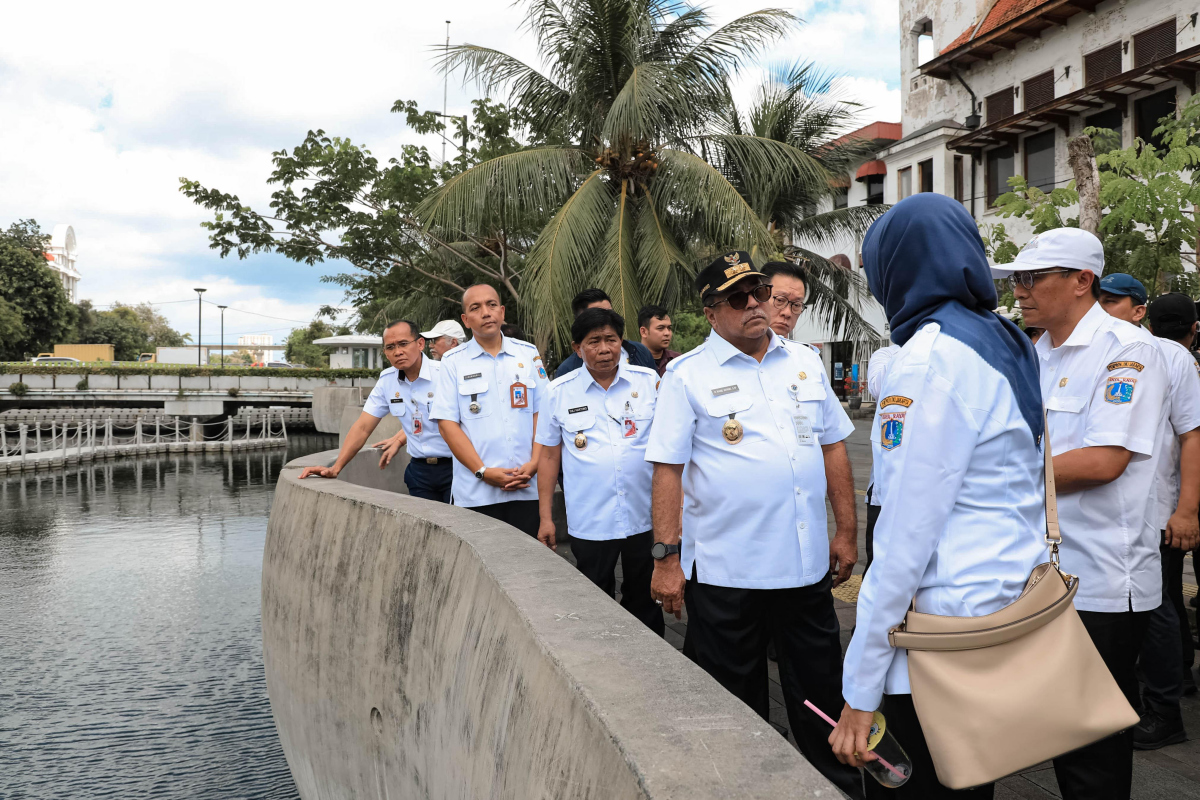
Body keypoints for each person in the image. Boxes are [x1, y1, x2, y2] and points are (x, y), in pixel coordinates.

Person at [830, 195, 1048, 798]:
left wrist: (860, 691)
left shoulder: (929, 358)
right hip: (1000, 614)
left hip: (937, 640)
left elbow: (903, 542)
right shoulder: (1005, 339)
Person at [646, 250, 862, 797]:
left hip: (804, 565)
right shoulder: (687, 376)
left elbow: (834, 448)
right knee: (731, 702)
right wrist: (666, 558)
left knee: (819, 694)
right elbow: (667, 470)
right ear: (712, 311)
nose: (755, 305)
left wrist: (846, 530)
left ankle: (833, 785)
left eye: (760, 292)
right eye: (738, 298)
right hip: (727, 573)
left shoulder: (805, 363)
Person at [998, 227, 1167, 799]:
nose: (1019, 290)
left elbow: (1103, 460)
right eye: (1015, 278)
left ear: (1081, 281)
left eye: (1031, 278)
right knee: (1053, 733)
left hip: (1097, 579)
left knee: (1091, 753)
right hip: (1040, 573)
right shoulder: (1032, 351)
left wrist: (994, 481)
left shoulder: (1127, 349)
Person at [534, 307, 664, 635]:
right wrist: (546, 517)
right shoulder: (558, 392)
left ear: (623, 342)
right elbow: (549, 457)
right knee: (594, 596)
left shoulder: (649, 384)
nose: (604, 349)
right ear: (578, 348)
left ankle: (652, 660)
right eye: (594, 342)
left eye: (611, 339)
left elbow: (671, 450)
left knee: (647, 596)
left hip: (645, 517)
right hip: (590, 519)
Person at [1131, 292, 1200, 748]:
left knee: (1157, 606)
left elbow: (1192, 435)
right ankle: (1169, 688)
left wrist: (1186, 511)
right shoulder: (1163, 355)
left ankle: (1164, 707)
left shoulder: (1164, 357)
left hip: (1155, 508)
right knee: (1164, 601)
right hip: (1151, 506)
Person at [430, 284, 548, 536]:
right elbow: (447, 424)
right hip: (476, 494)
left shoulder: (527, 354)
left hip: (527, 487)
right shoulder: (453, 362)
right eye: (476, 307)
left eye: (492, 305)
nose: (486, 312)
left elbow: (543, 412)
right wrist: (483, 472)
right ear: (466, 319)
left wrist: (535, 463)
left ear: (502, 312)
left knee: (531, 567)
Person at [299, 320, 454, 501]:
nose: (397, 352)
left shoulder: (446, 374)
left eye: (403, 344)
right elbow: (363, 427)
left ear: (420, 344)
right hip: (419, 473)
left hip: (456, 468)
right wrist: (336, 468)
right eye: (390, 347)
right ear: (385, 353)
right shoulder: (387, 381)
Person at [554, 289, 657, 376]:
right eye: (597, 314)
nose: (605, 318)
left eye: (609, 312)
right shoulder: (567, 369)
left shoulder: (640, 352)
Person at [862, 343, 900, 576]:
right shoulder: (887, 354)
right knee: (878, 564)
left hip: (926, 486)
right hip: (884, 488)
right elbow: (878, 387)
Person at [761, 260, 807, 338]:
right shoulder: (735, 348)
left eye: (796, 305)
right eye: (780, 300)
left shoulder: (802, 350)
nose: (787, 313)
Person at [637, 305, 679, 376]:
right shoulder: (630, 362)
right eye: (660, 328)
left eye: (669, 328)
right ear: (643, 332)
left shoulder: (678, 361)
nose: (667, 333)